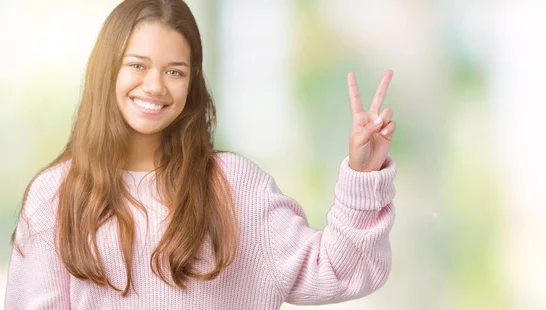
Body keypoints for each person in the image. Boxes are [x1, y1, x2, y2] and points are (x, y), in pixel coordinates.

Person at [4, 0, 397, 309]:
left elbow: (342, 270)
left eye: (174, 71)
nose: (155, 85)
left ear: (192, 81)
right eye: (137, 65)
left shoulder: (234, 185)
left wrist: (363, 175)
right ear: (105, 72)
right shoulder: (55, 193)